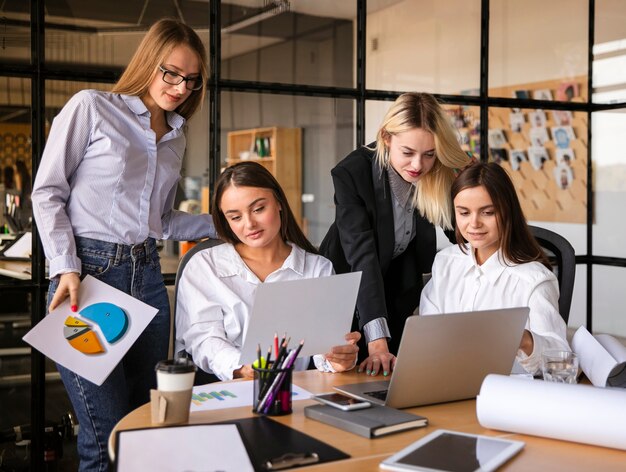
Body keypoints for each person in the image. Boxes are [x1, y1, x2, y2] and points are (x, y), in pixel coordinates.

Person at [31, 19, 215, 472]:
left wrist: (229, 221)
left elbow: (162, 220)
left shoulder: (175, 137)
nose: (180, 87)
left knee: (141, 429)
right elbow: (47, 191)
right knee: (103, 434)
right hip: (87, 280)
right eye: (171, 73)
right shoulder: (92, 108)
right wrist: (66, 266)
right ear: (149, 62)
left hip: (148, 280)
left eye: (191, 80)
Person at [320, 92, 471, 377]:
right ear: (386, 138)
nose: (418, 165)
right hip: (345, 287)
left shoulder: (436, 172)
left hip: (394, 292)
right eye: (408, 153)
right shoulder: (353, 173)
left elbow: (463, 236)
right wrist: (377, 341)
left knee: (394, 378)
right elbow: (362, 258)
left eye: (429, 154)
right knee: (349, 374)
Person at [176, 161, 360, 381]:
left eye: (258, 209)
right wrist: (243, 367)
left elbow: (323, 349)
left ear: (279, 203)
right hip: (228, 389)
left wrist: (338, 358)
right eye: (235, 217)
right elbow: (203, 338)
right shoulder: (204, 266)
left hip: (296, 393)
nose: (249, 224)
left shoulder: (317, 268)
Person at [419, 162, 569, 374]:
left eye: (487, 212)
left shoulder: (533, 279)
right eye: (463, 213)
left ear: (507, 212)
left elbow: (560, 361)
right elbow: (427, 333)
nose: (474, 223)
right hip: (446, 378)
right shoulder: (446, 262)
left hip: (503, 390)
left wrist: (525, 340)